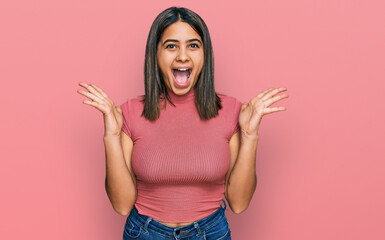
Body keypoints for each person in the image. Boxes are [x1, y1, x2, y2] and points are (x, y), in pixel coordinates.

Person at [77, 6, 288, 240]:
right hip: (145, 233)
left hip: (210, 232)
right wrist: (111, 136)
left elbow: (238, 203)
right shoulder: (129, 112)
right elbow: (122, 205)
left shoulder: (231, 111)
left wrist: (249, 135)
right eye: (171, 46)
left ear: (205, 54)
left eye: (193, 45)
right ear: (155, 55)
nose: (183, 56)